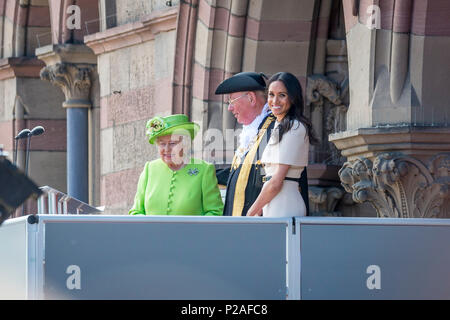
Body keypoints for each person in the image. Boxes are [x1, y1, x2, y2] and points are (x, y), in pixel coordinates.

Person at [215, 72, 310, 216]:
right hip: (260, 215)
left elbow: (273, 180)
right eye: (271, 95)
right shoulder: (261, 130)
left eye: (232, 101)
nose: (229, 108)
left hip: (278, 209)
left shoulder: (283, 126)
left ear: (251, 98)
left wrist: (250, 215)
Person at [247, 72, 317, 217]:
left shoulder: (295, 127)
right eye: (271, 94)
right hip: (273, 204)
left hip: (285, 204)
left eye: (282, 95)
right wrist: (260, 210)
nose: (275, 101)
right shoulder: (281, 126)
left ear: (293, 97)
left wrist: (250, 213)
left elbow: (276, 182)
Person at [129, 114, 224, 216]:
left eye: (173, 143)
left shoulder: (204, 170)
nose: (166, 149)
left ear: (186, 144)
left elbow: (215, 212)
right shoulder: (150, 169)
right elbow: (136, 212)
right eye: (162, 144)